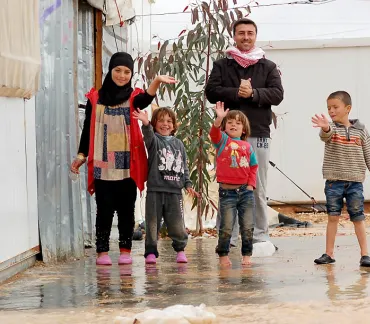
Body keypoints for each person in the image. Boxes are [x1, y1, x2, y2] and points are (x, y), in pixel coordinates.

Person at [70, 51, 177, 266]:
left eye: (127, 72)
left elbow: (146, 98)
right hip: (103, 163)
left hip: (128, 164)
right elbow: (87, 129)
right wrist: (82, 155)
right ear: (110, 71)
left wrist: (156, 81)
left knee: (127, 210)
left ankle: (125, 250)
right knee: (104, 209)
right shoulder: (95, 98)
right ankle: (102, 252)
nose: (122, 75)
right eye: (118, 70)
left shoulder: (133, 97)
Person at [205, 18, 283, 247]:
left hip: (258, 133)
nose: (246, 37)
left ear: (255, 36)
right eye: (241, 33)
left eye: (250, 33)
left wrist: (254, 94)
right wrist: (238, 93)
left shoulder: (267, 66)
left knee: (256, 186)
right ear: (235, 36)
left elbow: (277, 95)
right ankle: (227, 237)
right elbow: (211, 92)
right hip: (228, 137)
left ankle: (259, 236)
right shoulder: (222, 65)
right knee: (228, 185)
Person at [311, 91, 370, 268]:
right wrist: (324, 127)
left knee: (358, 217)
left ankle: (365, 255)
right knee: (333, 216)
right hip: (333, 182)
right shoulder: (331, 129)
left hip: (355, 182)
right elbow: (326, 135)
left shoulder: (361, 131)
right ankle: (329, 253)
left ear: (348, 109)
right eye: (328, 108)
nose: (331, 111)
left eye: (335, 107)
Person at [133, 106, 199, 264]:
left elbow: (184, 167)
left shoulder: (179, 144)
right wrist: (145, 123)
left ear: (174, 125)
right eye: (161, 120)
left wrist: (188, 184)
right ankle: (150, 252)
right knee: (152, 224)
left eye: (169, 121)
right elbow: (148, 135)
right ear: (155, 123)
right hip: (155, 190)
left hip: (175, 192)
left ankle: (180, 250)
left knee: (177, 225)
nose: (165, 124)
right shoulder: (154, 141)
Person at [210, 101, 257, 266]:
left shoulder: (247, 147)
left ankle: (247, 255)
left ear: (244, 129)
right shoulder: (222, 141)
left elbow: (253, 166)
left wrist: (251, 185)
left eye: (238, 123)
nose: (233, 125)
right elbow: (213, 133)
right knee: (226, 227)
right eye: (229, 122)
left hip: (246, 192)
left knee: (247, 226)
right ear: (224, 127)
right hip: (227, 193)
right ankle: (223, 255)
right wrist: (219, 119)